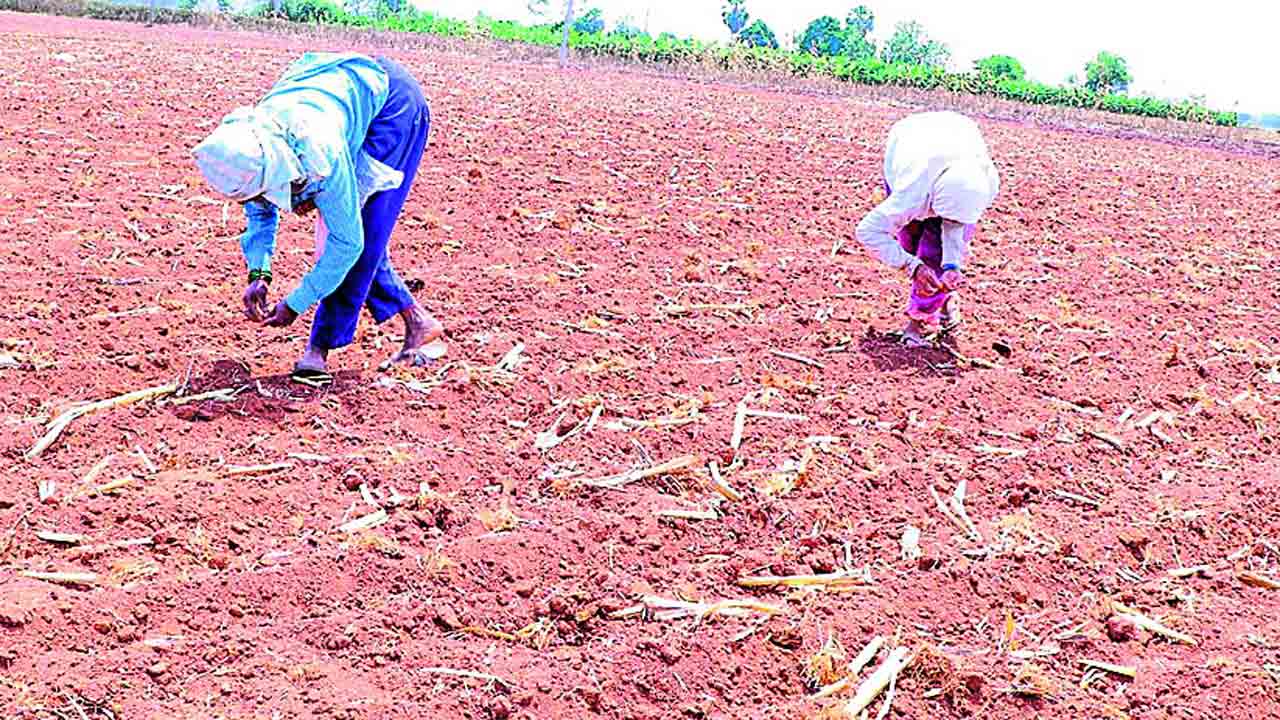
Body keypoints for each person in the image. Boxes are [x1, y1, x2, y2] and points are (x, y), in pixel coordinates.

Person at [192, 52, 444, 386]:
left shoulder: (320, 153)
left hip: (393, 107)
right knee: (356, 233)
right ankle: (418, 321)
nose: (254, 200)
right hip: (341, 90)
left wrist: (296, 304)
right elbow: (258, 206)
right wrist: (259, 272)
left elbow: (346, 244)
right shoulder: (250, 145)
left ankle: (318, 349)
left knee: (360, 233)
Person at [855, 111, 1000, 347]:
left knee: (936, 254)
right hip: (910, 143)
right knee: (910, 242)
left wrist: (951, 265)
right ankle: (933, 300)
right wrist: (913, 266)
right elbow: (868, 231)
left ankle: (920, 321)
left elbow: (954, 226)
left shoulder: (984, 185)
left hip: (956, 137)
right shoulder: (911, 194)